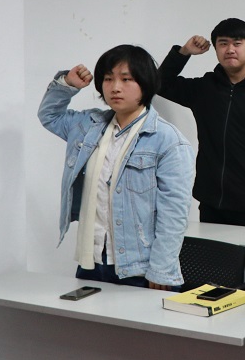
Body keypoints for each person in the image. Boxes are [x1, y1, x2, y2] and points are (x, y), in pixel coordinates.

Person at [38, 45, 195, 289]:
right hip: (92, 260)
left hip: (141, 266)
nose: (115, 87)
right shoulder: (89, 126)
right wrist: (66, 84)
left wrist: (161, 270)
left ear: (145, 83)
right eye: (108, 79)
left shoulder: (168, 140)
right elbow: (50, 116)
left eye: (126, 79)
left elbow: (174, 214)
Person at [158, 18, 245, 228]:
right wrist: (184, 52)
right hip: (211, 202)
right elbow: (159, 84)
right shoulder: (205, 89)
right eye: (223, 43)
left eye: (237, 43)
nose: (230, 49)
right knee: (211, 251)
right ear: (215, 49)